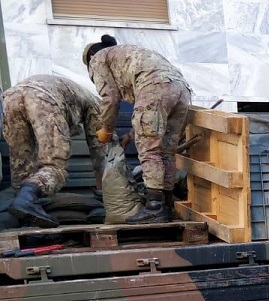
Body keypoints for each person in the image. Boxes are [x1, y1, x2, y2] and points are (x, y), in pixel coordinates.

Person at [82, 34, 192, 224]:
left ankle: (154, 208)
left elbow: (110, 98)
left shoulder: (97, 59)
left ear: (90, 57)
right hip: (181, 89)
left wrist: (106, 128)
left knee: (150, 152)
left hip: (154, 88)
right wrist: (132, 135)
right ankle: (165, 205)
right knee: (166, 152)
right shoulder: (129, 53)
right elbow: (155, 121)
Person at [1, 74, 107, 229]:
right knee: (55, 167)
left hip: (9, 99)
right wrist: (104, 193)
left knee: (22, 168)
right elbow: (101, 152)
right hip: (42, 98)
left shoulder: (73, 89)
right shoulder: (97, 105)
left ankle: (24, 215)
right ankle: (28, 197)